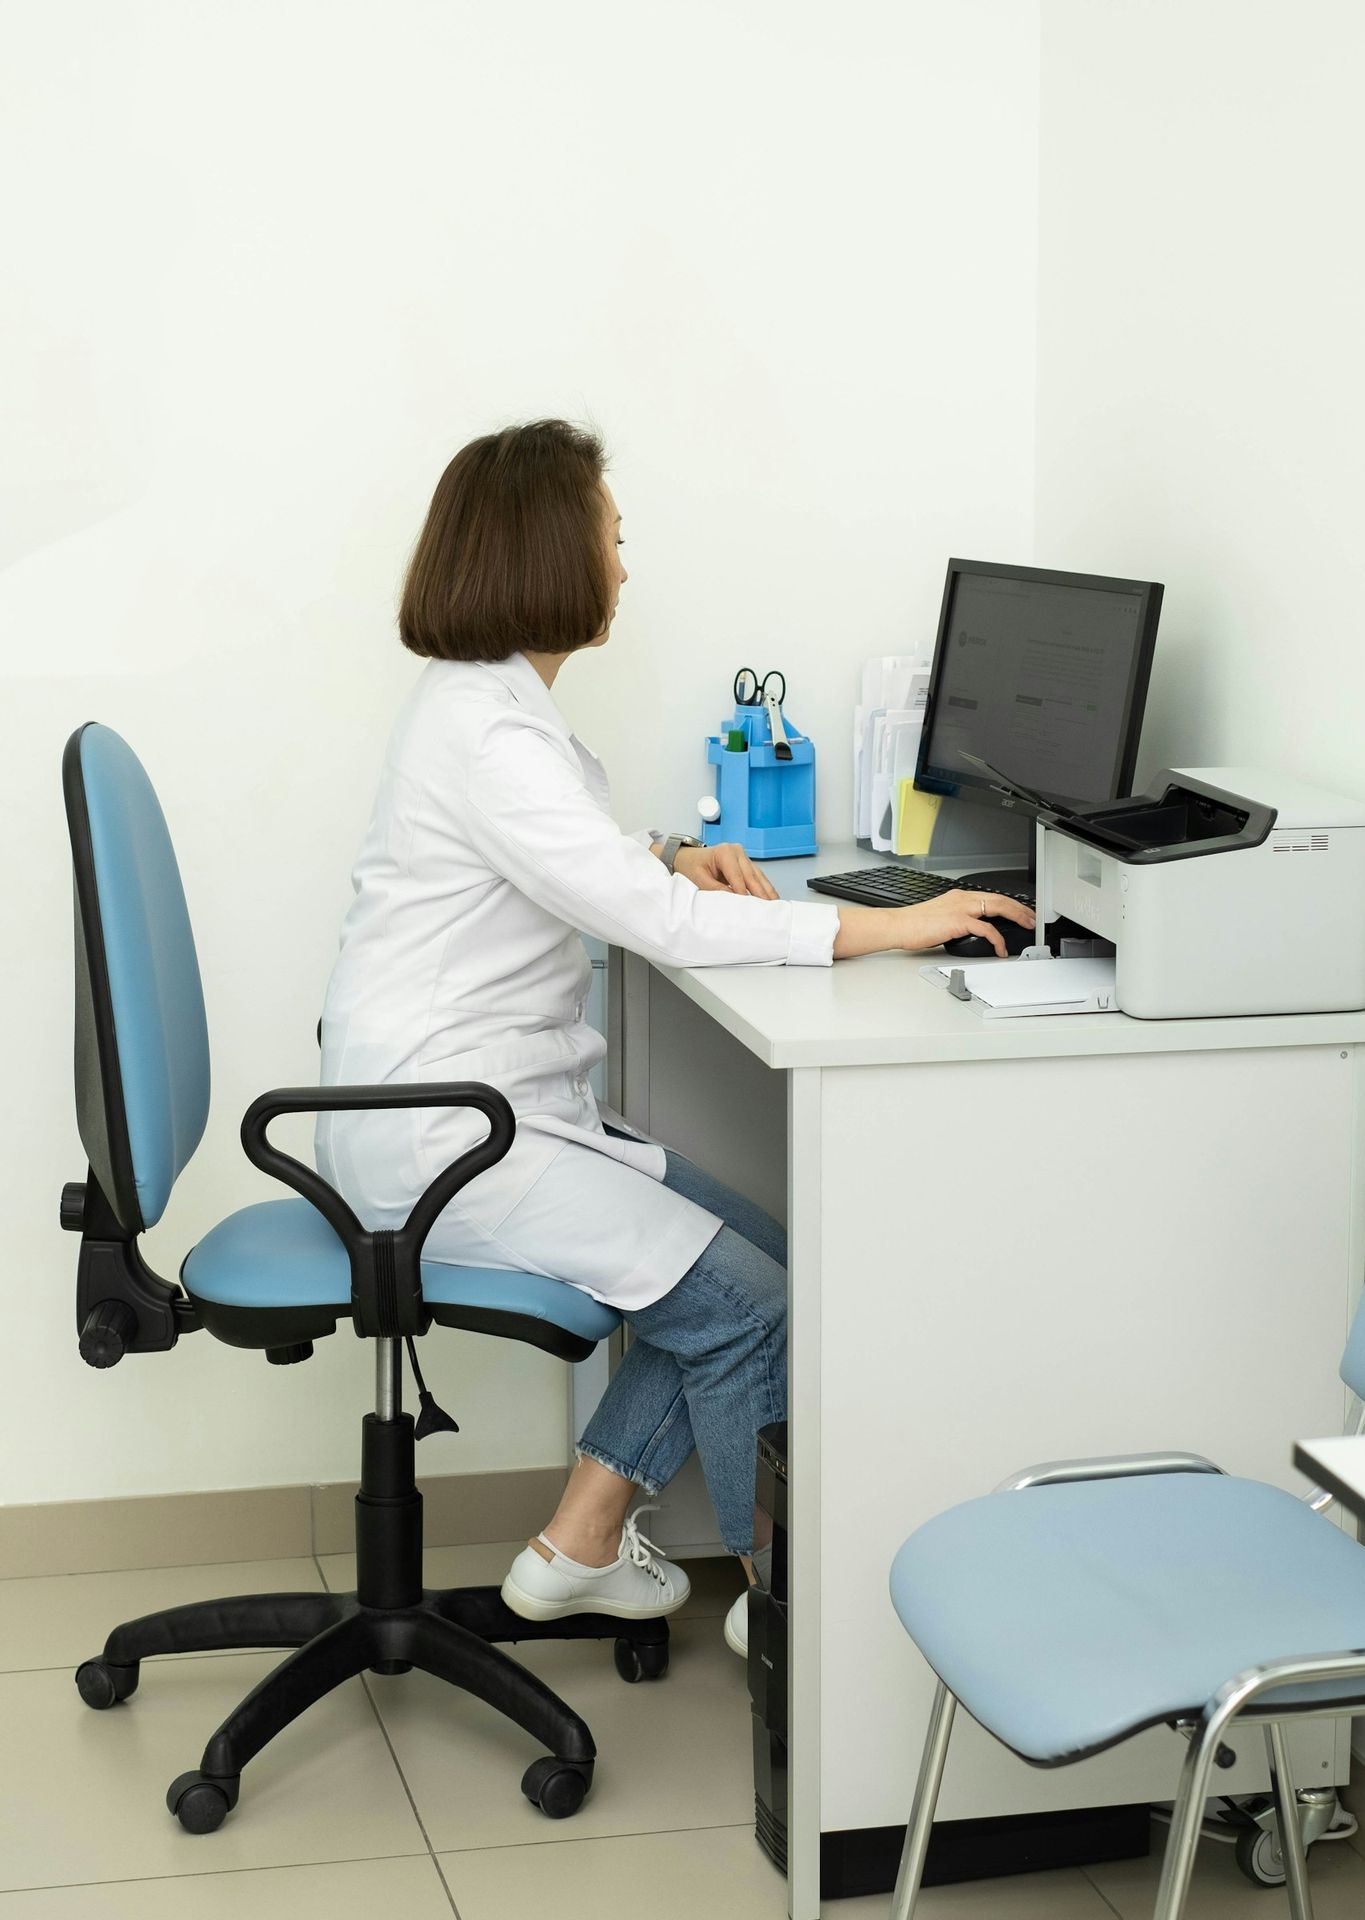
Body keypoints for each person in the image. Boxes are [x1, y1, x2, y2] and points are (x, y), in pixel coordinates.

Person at [316, 420, 1033, 1657]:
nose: (626, 570)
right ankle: (788, 1613)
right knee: (750, 1305)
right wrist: (879, 931)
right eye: (612, 539)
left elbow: (584, 871)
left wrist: (658, 854)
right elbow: (649, 923)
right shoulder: (490, 735)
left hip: (478, 1112)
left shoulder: (486, 713)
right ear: (551, 556)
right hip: (449, 1137)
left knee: (752, 1259)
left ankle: (578, 1546)